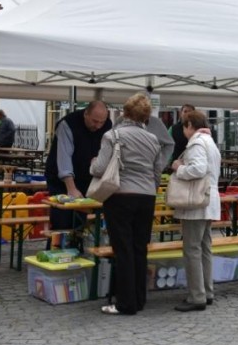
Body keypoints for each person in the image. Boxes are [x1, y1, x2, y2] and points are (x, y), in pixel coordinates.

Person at [92, 94, 165, 315]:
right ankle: (139, 299)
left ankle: (125, 303)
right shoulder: (153, 139)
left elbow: (99, 169)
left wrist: (92, 164)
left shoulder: (112, 136)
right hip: (146, 197)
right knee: (139, 249)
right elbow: (157, 171)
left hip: (121, 195)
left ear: (124, 113)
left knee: (123, 249)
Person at [171, 110, 221, 312]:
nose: (183, 130)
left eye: (184, 126)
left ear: (190, 125)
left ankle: (197, 296)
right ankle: (206, 292)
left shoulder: (197, 143)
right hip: (208, 200)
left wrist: (178, 168)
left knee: (192, 249)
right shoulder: (210, 142)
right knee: (204, 247)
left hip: (197, 202)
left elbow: (198, 169)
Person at [45, 101, 112, 230]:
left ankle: (78, 247)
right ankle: (59, 247)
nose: (98, 126)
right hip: (60, 181)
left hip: (85, 178)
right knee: (62, 222)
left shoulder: (107, 125)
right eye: (94, 121)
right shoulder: (68, 124)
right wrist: (71, 188)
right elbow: (64, 158)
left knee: (81, 222)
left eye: (101, 122)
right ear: (86, 114)